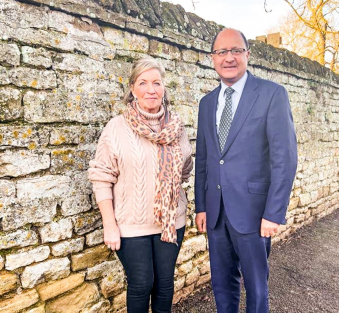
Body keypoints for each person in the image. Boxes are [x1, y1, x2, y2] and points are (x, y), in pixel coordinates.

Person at [194, 28, 298, 313]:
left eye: (236, 50)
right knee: (222, 285)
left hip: (254, 213)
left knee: (256, 286)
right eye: (222, 52)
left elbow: (285, 158)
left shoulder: (271, 94)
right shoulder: (206, 104)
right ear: (212, 58)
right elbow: (203, 160)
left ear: (247, 55)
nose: (229, 57)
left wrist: (274, 212)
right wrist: (201, 207)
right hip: (216, 213)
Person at [88, 57, 193, 313]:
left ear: (164, 88)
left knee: (165, 285)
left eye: (156, 83)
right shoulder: (116, 128)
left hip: (170, 222)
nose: (151, 89)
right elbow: (101, 176)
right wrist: (110, 225)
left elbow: (185, 170)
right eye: (143, 83)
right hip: (130, 225)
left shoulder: (176, 127)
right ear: (132, 88)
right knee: (141, 284)